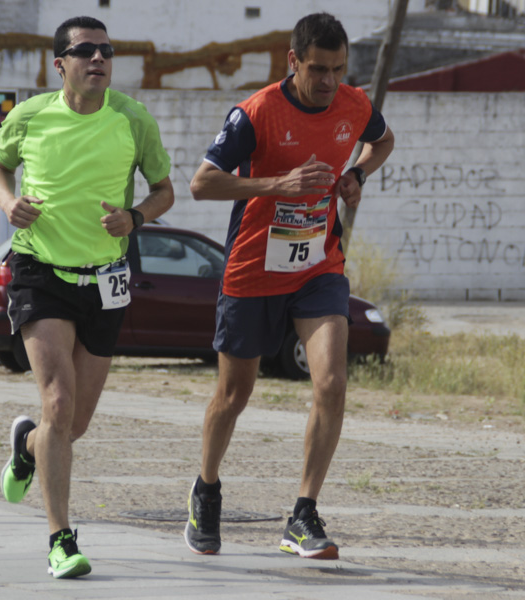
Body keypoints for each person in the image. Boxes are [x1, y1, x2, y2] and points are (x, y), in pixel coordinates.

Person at [184, 12, 395, 560]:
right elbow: (202, 183)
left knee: (331, 381)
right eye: (319, 69)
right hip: (253, 270)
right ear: (293, 61)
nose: (329, 81)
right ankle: (206, 489)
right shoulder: (256, 113)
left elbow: (383, 140)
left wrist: (357, 175)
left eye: (339, 69)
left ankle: (302, 513)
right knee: (235, 395)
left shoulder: (354, 104)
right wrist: (276, 184)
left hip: (318, 266)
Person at [0, 16, 173, 579]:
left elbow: (164, 190)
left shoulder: (132, 119)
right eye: (85, 50)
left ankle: (27, 448)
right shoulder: (30, 116)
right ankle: (60, 539)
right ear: (60, 63)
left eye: (106, 50)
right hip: (40, 271)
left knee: (75, 423)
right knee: (60, 404)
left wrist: (135, 216)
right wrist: (7, 200)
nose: (98, 58)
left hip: (106, 278)